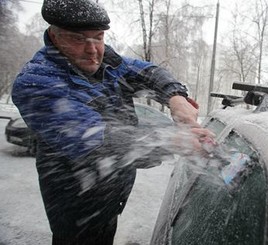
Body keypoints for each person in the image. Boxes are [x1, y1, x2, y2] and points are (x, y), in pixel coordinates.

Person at [11, 0, 214, 244]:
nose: (93, 50)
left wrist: (175, 97)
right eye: (78, 39)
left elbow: (147, 72)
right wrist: (172, 141)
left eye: (98, 37)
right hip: (77, 206)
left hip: (111, 195)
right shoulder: (37, 82)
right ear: (54, 36)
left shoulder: (109, 63)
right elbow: (97, 140)